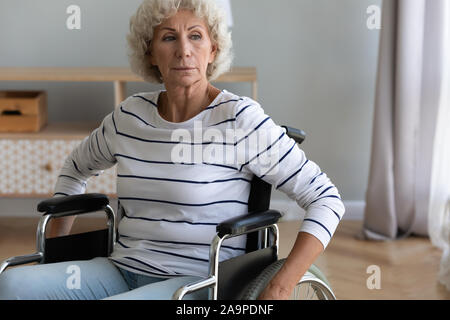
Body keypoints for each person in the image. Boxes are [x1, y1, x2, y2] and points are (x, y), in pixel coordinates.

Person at [0, 0, 345, 300]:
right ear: (149, 51)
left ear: (213, 49)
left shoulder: (240, 119)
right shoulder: (128, 116)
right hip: (120, 270)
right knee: (10, 284)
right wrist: (58, 252)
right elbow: (76, 168)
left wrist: (281, 288)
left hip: (196, 283)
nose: (184, 50)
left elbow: (326, 199)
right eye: (169, 37)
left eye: (196, 35)